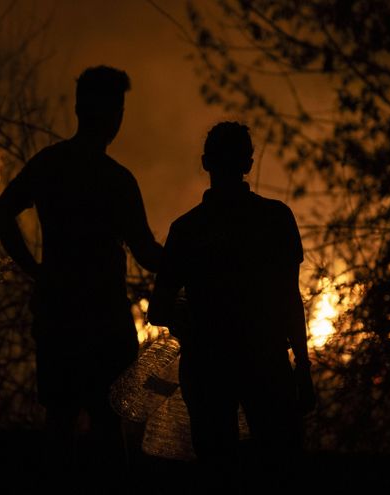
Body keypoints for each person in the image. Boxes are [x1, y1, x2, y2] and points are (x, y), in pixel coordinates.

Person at [0, 66, 162, 483]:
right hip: (104, 319)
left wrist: (36, 271)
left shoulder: (50, 165)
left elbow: (1, 213)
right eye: (116, 107)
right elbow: (147, 253)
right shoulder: (116, 180)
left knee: (60, 421)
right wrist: (194, 258)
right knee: (108, 426)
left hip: (59, 313)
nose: (118, 117)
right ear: (105, 113)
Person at [148, 121, 315, 491]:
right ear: (249, 163)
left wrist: (194, 325)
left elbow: (158, 308)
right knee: (279, 470)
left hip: (208, 368)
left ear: (206, 162)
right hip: (267, 365)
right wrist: (302, 368)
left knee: (217, 473)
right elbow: (290, 299)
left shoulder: (187, 229)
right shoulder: (276, 218)